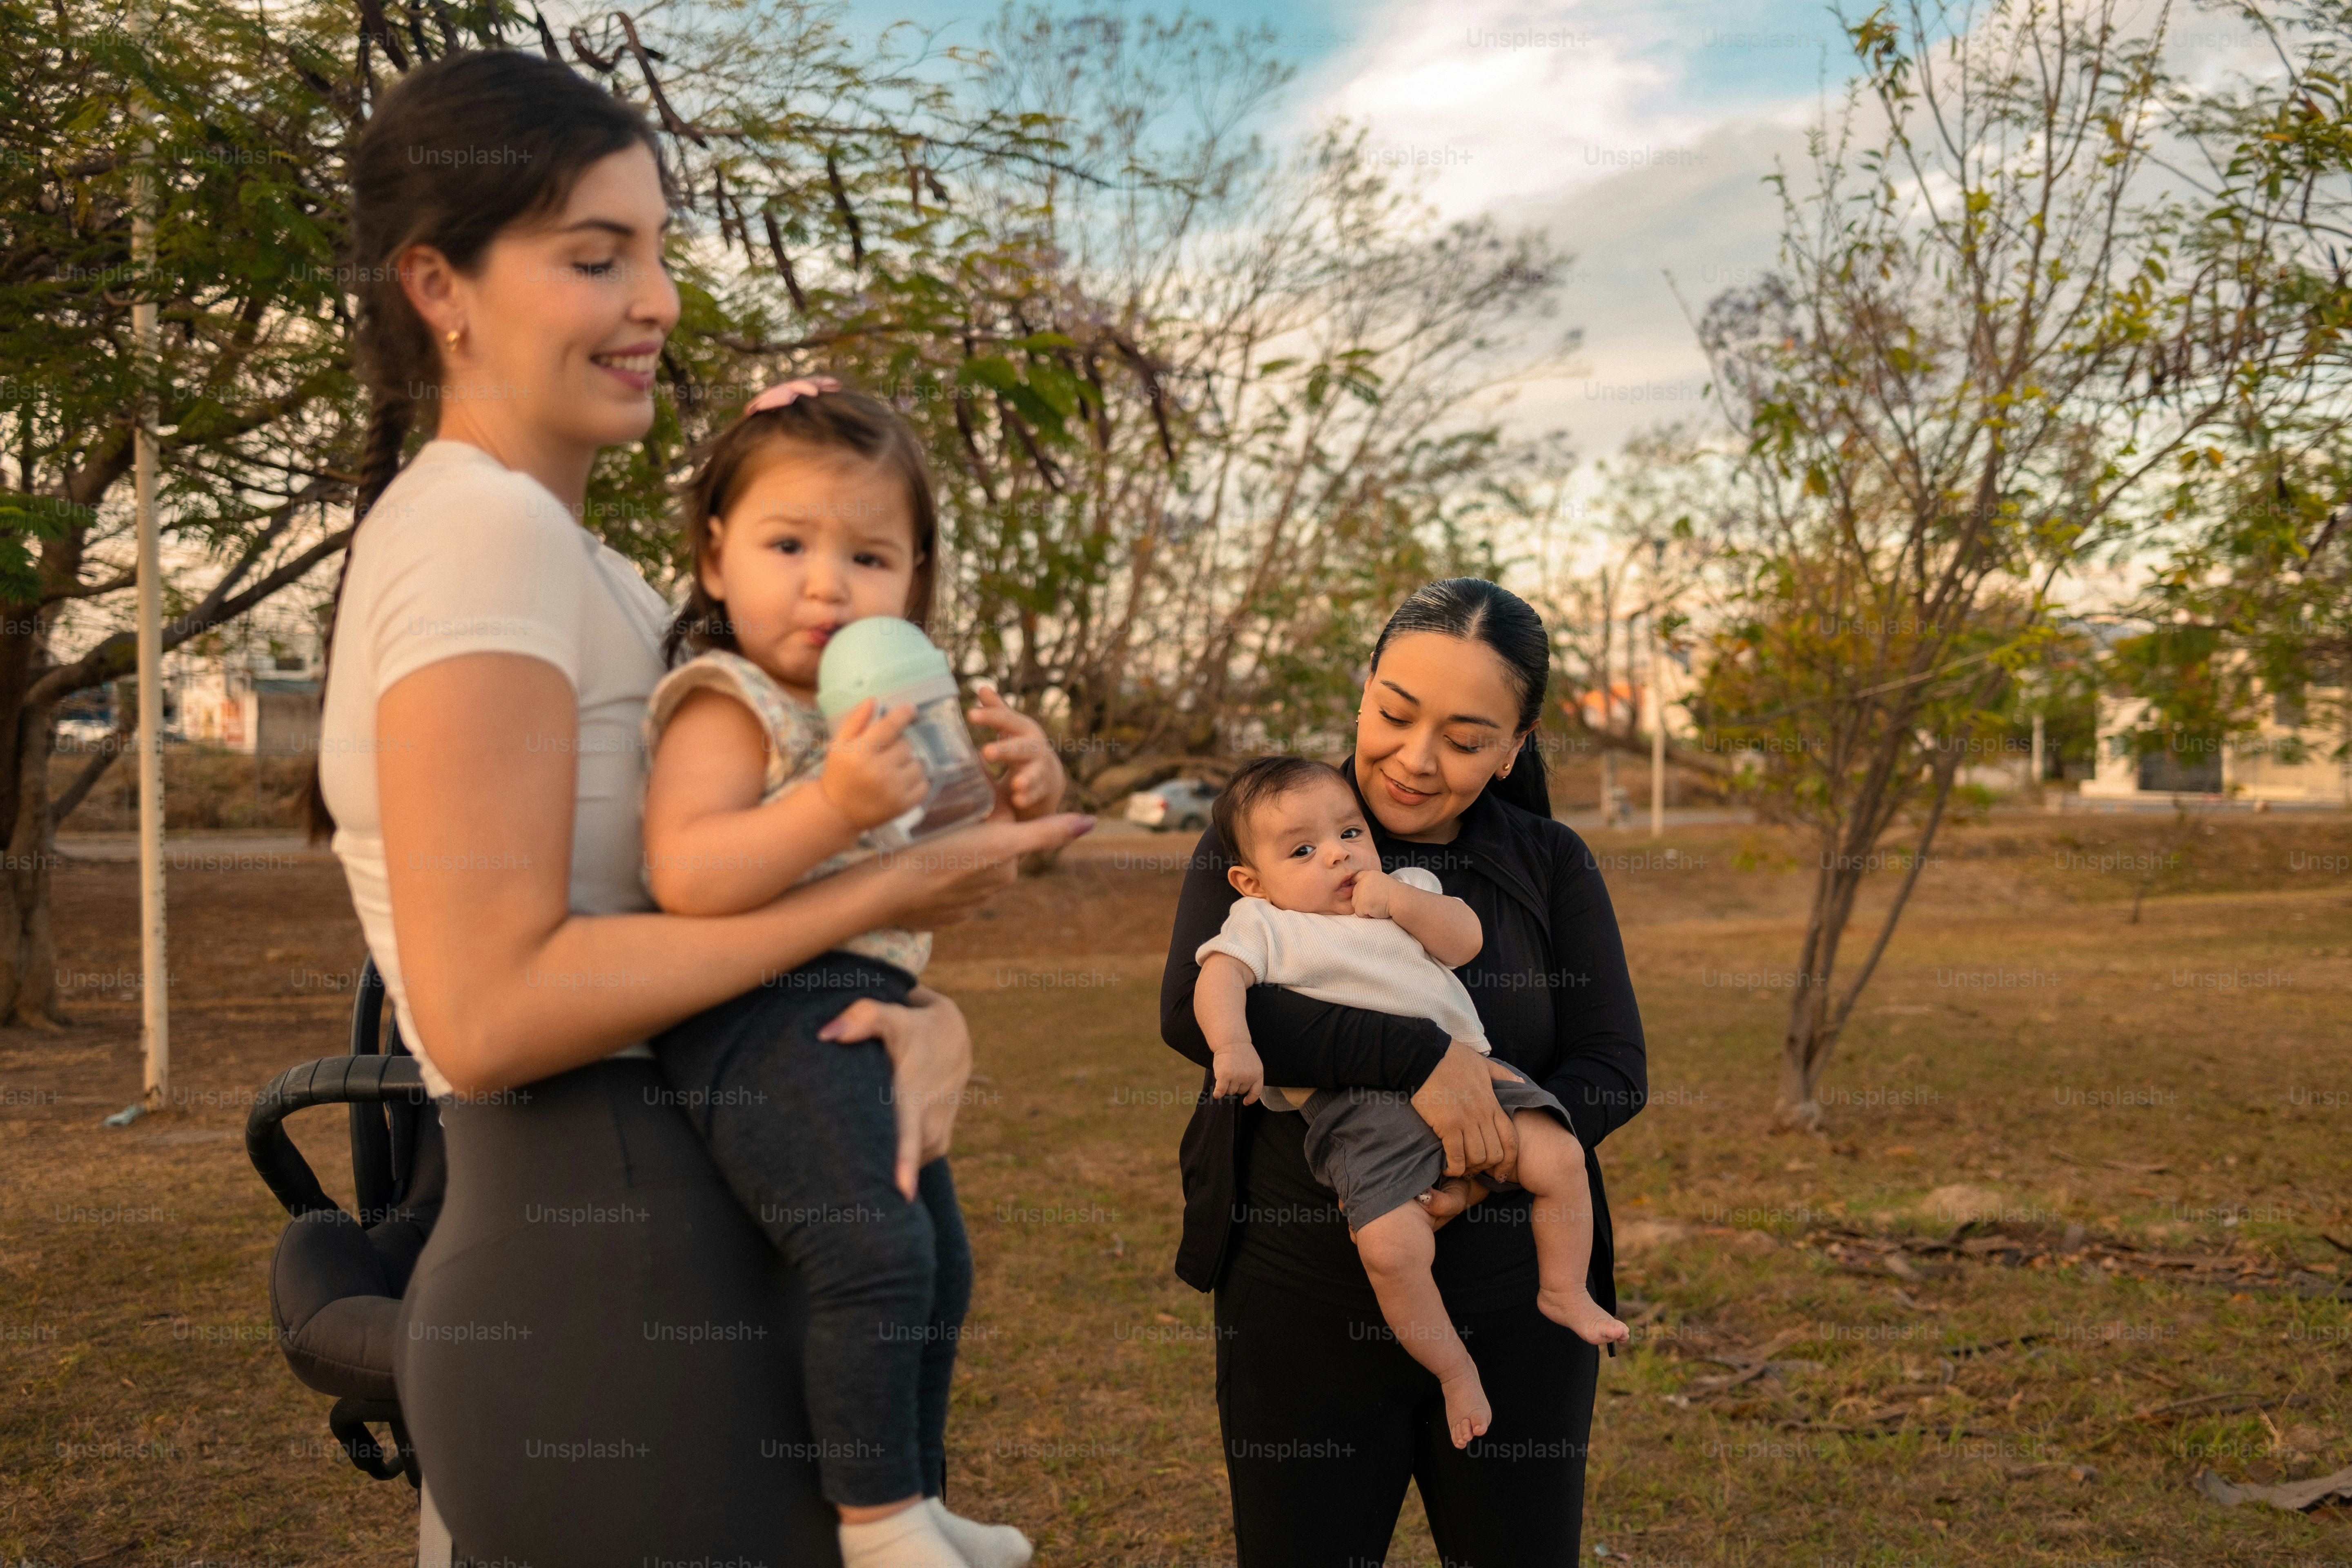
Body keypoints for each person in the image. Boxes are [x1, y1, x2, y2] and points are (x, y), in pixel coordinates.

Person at [311, 51, 1090, 1562]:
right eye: (598, 258)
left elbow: (712, 902)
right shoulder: (476, 534)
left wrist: (926, 1014)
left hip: (711, 1249)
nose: (657, 299)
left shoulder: (595, 571)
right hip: (602, 1287)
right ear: (441, 286)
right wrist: (882, 902)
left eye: (660, 251)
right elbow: (483, 1013)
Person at [637, 376, 1065, 1568]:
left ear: (914, 581)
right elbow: (689, 876)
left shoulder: (874, 711)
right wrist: (830, 801)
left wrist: (1029, 791)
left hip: (852, 1005)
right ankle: (876, 1530)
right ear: (717, 559)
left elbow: (949, 864)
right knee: (868, 1249)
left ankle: (918, 1498)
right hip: (750, 1009)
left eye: (871, 558)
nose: (829, 584)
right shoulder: (728, 707)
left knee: (940, 1261)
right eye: (789, 544)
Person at [1159, 578, 1648, 1568]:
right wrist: (1424, 1059)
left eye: (1468, 741)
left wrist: (1485, 1159)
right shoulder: (1273, 824)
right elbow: (1195, 1010)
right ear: (1364, 689)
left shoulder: (1549, 861)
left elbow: (1614, 1067)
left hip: (1516, 1296)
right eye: (1395, 713)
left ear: (1517, 747)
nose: (1416, 761)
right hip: (1300, 1286)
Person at [1192, 755, 1626, 1449]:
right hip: (1361, 1114)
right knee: (1393, 1249)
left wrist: (1400, 902)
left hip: (1480, 1082)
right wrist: (1234, 1047)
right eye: (1303, 850)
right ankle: (1454, 1370)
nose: (1336, 854)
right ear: (1252, 880)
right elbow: (1217, 981)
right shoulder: (1261, 923)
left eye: (1349, 834)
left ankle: (1564, 1289)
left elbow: (1465, 940)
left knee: (1561, 1154)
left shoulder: (1407, 887)